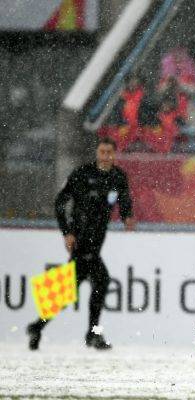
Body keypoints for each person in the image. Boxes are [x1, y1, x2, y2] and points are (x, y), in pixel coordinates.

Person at [27, 137, 135, 350]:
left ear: (114, 154)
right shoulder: (82, 174)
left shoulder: (118, 177)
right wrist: (67, 232)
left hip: (97, 241)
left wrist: (127, 216)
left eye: (109, 153)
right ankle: (92, 334)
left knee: (70, 290)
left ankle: (37, 327)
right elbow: (61, 202)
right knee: (101, 282)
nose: (105, 157)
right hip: (82, 240)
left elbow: (124, 200)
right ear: (97, 153)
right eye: (102, 152)